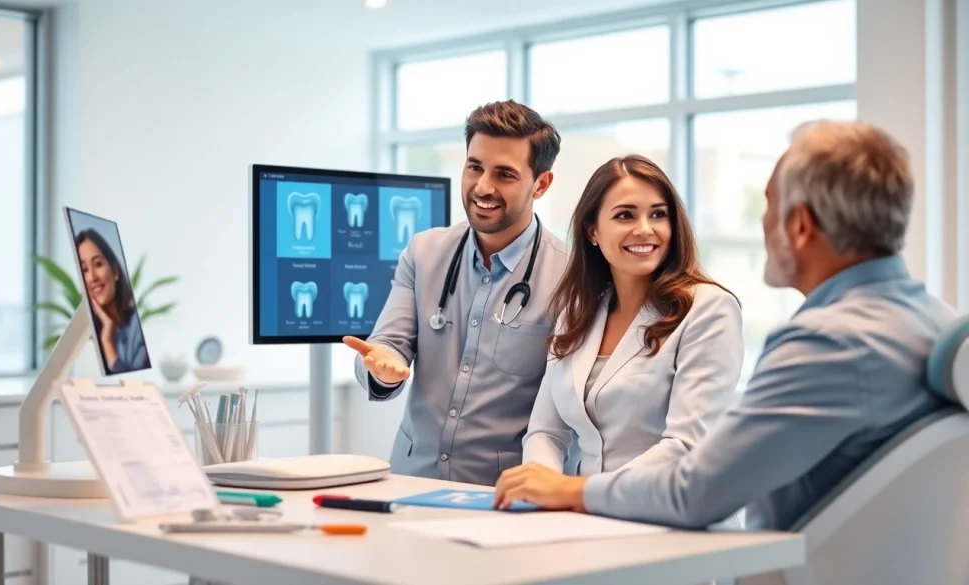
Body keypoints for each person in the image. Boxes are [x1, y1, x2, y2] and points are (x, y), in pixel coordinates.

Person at [494, 119, 957, 531]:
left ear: (800, 226)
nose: (761, 220)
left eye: (770, 204)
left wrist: (570, 492)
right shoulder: (936, 323)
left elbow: (695, 490)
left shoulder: (827, 343)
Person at [343, 100, 571, 487]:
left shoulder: (570, 276)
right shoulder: (424, 252)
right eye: (475, 167)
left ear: (541, 183)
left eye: (504, 174)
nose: (483, 187)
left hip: (502, 494)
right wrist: (382, 367)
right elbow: (387, 345)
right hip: (411, 483)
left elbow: (565, 407)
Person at [503, 154, 744, 508]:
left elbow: (685, 445)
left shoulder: (709, 309)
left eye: (658, 214)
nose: (645, 228)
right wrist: (540, 492)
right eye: (625, 215)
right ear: (593, 231)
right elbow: (546, 431)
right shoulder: (578, 311)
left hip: (670, 520)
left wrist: (573, 493)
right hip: (587, 520)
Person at [75, 228, 150, 375]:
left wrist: (107, 342)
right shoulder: (87, 337)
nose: (92, 277)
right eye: (84, 270)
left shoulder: (137, 330)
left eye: (98, 264)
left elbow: (134, 386)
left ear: (115, 271)